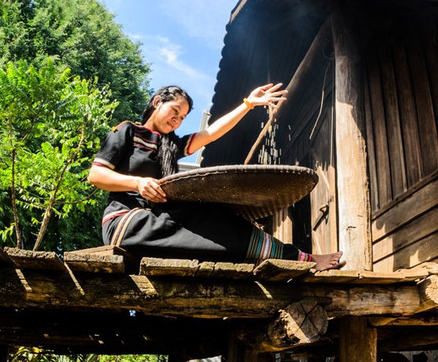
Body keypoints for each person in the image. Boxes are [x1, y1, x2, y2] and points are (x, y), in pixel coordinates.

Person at [87, 83, 345, 270]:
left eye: (182, 117)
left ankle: (296, 258)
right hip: (126, 224)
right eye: (174, 111)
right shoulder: (127, 131)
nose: (177, 120)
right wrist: (138, 182)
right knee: (203, 217)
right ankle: (296, 259)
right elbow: (96, 175)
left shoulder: (170, 146)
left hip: (158, 222)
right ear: (157, 102)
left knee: (219, 218)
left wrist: (247, 105)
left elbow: (210, 134)